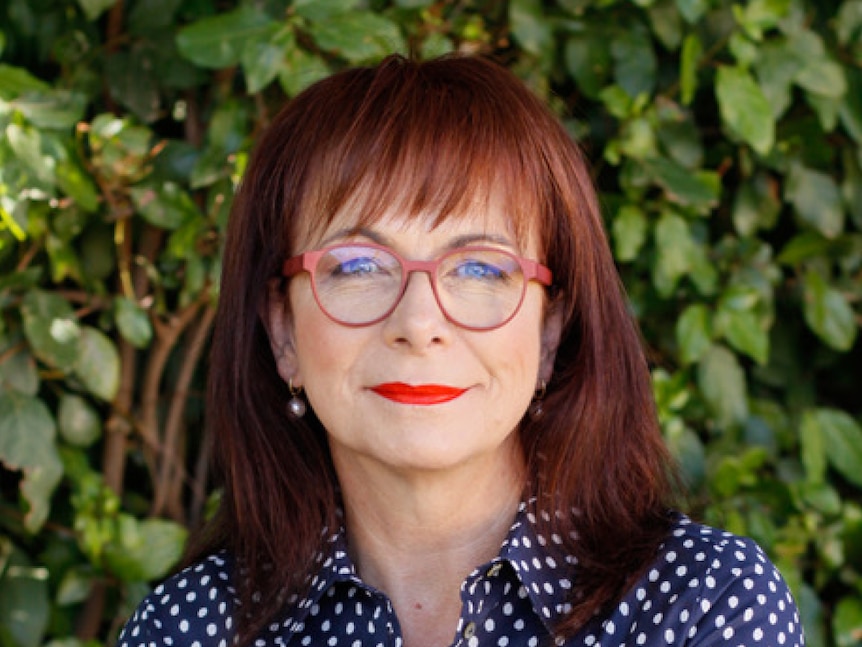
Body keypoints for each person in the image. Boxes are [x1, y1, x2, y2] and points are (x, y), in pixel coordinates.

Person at [118, 54, 804, 647]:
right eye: (358, 265)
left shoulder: (698, 604)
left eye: (480, 268)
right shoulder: (193, 625)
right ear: (282, 331)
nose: (420, 323)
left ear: (550, 331)